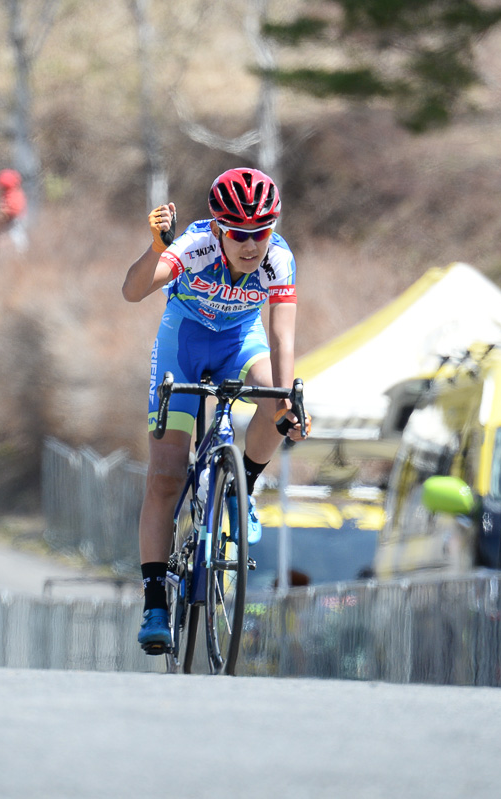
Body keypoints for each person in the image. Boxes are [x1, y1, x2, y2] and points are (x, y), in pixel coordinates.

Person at [122, 167, 309, 654]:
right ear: (219, 230)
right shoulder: (194, 246)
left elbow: (282, 338)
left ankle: (241, 486)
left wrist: (286, 401)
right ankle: (155, 602)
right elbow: (133, 290)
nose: (252, 246)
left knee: (274, 403)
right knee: (165, 476)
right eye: (240, 235)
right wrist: (159, 247)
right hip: (183, 345)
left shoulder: (280, 261)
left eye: (261, 234)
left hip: (240, 345)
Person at [0, 168, 28, 252]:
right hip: (10, 223)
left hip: (14, 223)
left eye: (1, 186)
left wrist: (1, 211)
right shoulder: (8, 194)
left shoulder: (14, 196)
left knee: (14, 242)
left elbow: (13, 211)